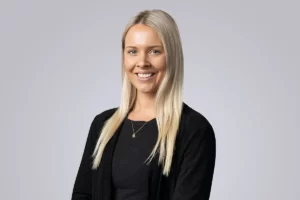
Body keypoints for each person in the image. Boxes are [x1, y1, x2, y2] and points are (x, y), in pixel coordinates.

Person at [71, 9, 216, 200]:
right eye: (132, 51)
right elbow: (82, 194)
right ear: (124, 58)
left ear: (171, 56)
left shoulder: (194, 130)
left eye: (154, 51)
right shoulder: (103, 125)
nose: (142, 62)